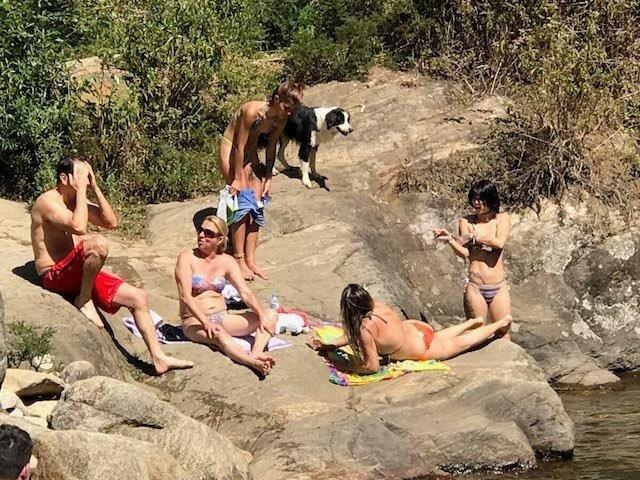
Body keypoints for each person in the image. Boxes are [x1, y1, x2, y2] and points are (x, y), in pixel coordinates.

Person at [30, 157, 193, 375]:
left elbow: (111, 222)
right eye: (81, 176)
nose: (84, 181)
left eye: (87, 176)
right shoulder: (47, 202)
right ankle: (84, 299)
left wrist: (95, 187)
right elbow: (78, 227)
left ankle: (158, 357)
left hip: (78, 273)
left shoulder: (77, 201)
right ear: (64, 177)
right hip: (55, 274)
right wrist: (81, 192)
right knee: (97, 244)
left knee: (139, 297)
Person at [308, 284, 510, 374]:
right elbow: (349, 335)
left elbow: (372, 366)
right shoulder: (376, 305)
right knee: (440, 337)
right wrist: (330, 345)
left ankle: (499, 324)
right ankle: (469, 323)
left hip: (420, 347)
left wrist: (348, 367)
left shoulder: (365, 329)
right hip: (415, 328)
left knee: (461, 343)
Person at [218, 81, 304, 281]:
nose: (290, 113)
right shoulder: (252, 112)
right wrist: (238, 178)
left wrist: (267, 178)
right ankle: (238, 258)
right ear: (276, 100)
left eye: (293, 109)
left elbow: (271, 147)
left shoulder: (280, 118)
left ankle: (250, 259)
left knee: (257, 203)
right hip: (232, 148)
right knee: (242, 200)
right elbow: (239, 146)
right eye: (287, 107)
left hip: (251, 151)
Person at [175, 215, 278, 375]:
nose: (201, 235)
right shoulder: (187, 257)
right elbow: (185, 297)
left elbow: (245, 292)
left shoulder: (227, 261)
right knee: (219, 335)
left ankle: (257, 351)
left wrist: (261, 314)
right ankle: (251, 361)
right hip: (195, 321)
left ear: (220, 239)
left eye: (208, 233)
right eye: (200, 231)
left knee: (270, 314)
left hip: (223, 317)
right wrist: (206, 323)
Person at [433, 179, 512, 339]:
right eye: (474, 199)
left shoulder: (502, 218)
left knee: (503, 331)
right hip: (476, 286)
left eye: (480, 199)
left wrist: (475, 237)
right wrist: (451, 240)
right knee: (476, 331)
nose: (476, 203)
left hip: (498, 286)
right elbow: (465, 253)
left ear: (490, 199)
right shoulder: (466, 221)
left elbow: (499, 242)